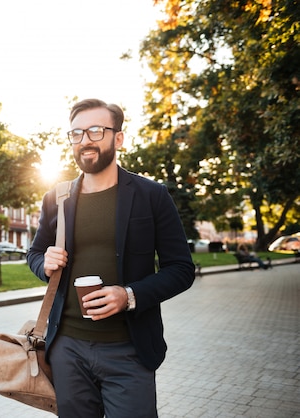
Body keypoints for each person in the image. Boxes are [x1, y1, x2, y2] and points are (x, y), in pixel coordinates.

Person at [27, 98, 196, 417]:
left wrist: (129, 295)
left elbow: (182, 269)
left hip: (129, 350)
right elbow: (35, 254)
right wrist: (43, 263)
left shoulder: (151, 195)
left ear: (118, 138)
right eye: (76, 134)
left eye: (95, 131)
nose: (84, 141)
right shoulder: (57, 198)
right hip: (67, 350)